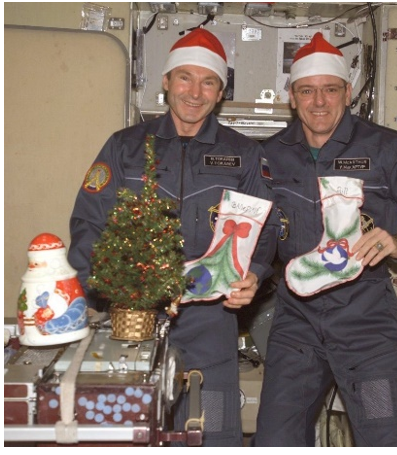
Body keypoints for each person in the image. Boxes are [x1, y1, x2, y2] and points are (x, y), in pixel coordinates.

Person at [68, 28, 274, 447]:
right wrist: (108, 290)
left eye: (208, 81)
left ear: (220, 92)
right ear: (165, 82)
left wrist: (252, 274)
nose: (195, 92)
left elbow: (266, 231)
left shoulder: (244, 154)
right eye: (185, 78)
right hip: (132, 319)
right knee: (128, 431)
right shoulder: (123, 148)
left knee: (213, 430)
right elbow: (87, 224)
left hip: (210, 321)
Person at [253, 33, 397, 446]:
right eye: (307, 91)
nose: (319, 102)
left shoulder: (391, 148)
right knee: (275, 439)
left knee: (385, 439)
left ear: (348, 93)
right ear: (291, 97)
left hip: (367, 324)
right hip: (297, 324)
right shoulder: (269, 155)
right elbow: (258, 232)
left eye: (330, 89)